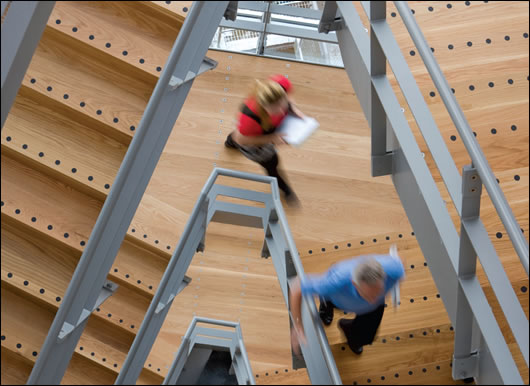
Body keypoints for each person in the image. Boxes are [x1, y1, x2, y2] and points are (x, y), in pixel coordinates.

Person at [289, 245, 405, 355]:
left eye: (379, 291)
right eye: (369, 295)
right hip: (337, 298)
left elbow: (399, 261)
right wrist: (298, 326)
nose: (373, 299)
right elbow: (297, 288)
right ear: (355, 283)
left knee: (365, 337)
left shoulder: (394, 270)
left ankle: (347, 328)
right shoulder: (335, 283)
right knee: (325, 296)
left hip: (369, 309)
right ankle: (326, 306)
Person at [224, 74, 306, 206]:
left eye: (283, 104)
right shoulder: (249, 120)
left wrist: (293, 108)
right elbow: (242, 140)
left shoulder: (278, 85)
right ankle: (285, 189)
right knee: (271, 163)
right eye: (275, 109)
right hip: (253, 141)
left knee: (235, 136)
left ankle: (229, 142)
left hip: (258, 131)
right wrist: (271, 138)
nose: (281, 111)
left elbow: (288, 94)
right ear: (263, 107)